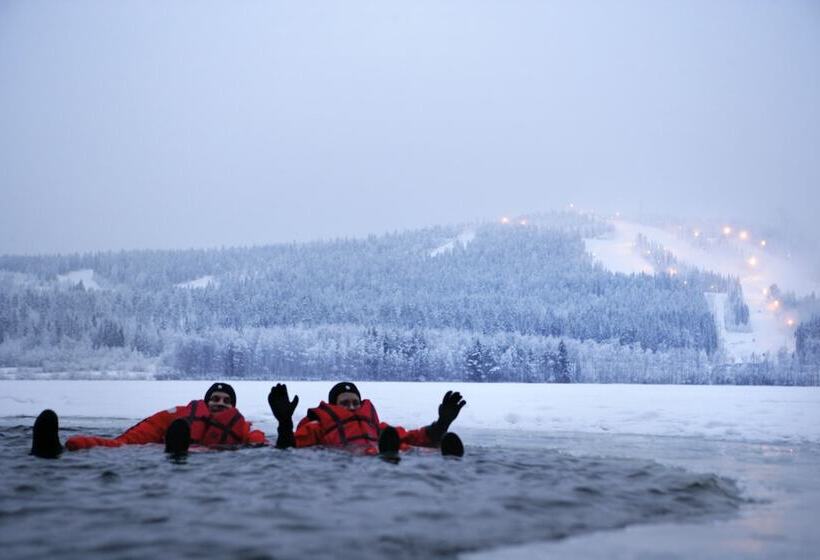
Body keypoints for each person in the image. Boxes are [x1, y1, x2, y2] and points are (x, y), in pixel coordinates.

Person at [30, 382, 266, 458]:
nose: (220, 403)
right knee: (118, 446)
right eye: (215, 398)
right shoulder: (180, 415)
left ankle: (177, 454)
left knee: (176, 455)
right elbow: (130, 439)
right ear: (207, 401)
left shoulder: (244, 426)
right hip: (169, 448)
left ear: (233, 406)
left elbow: (259, 444)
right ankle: (57, 449)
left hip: (205, 458)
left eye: (226, 400)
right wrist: (78, 443)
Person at [268, 381, 466, 457]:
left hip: (377, 450)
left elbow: (414, 437)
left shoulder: (378, 429)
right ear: (334, 405)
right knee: (389, 452)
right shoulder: (319, 426)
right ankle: (388, 456)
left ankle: (447, 458)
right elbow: (290, 446)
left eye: (355, 402)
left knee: (415, 448)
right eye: (345, 403)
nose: (352, 407)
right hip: (344, 456)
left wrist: (442, 424)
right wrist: (285, 423)